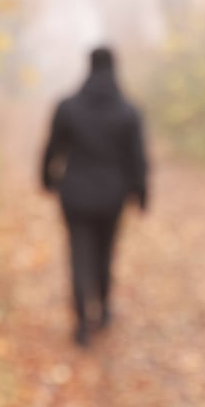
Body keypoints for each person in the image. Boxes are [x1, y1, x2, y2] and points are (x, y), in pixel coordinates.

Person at [41, 46, 148, 347]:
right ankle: (103, 308)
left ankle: (81, 322)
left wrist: (47, 179)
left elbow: (53, 148)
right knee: (105, 251)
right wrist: (141, 192)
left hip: (75, 194)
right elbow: (137, 158)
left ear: (88, 66)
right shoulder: (128, 111)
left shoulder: (68, 107)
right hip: (113, 195)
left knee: (79, 254)